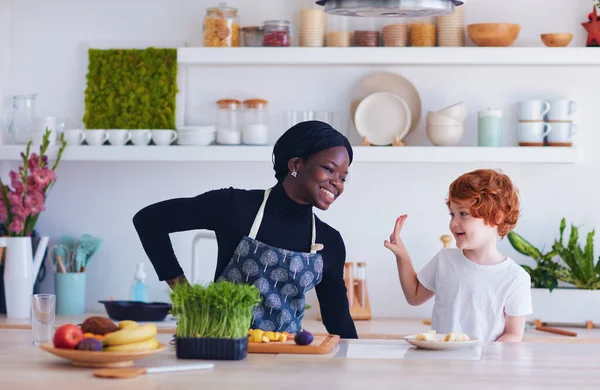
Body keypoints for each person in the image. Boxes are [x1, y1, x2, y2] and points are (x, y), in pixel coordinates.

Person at [133, 120, 358, 338]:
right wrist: (186, 296)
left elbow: (338, 321)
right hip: (221, 354)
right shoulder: (233, 206)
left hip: (286, 362)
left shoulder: (330, 241)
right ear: (296, 165)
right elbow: (149, 220)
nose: (337, 183)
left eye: (343, 177)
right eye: (329, 169)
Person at [384, 169, 532, 342]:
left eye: (463, 214)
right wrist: (402, 255)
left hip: (486, 367)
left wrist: (485, 359)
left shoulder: (515, 278)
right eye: (452, 214)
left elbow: (513, 334)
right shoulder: (444, 260)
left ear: (496, 217)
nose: (453, 223)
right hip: (443, 364)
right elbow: (414, 296)